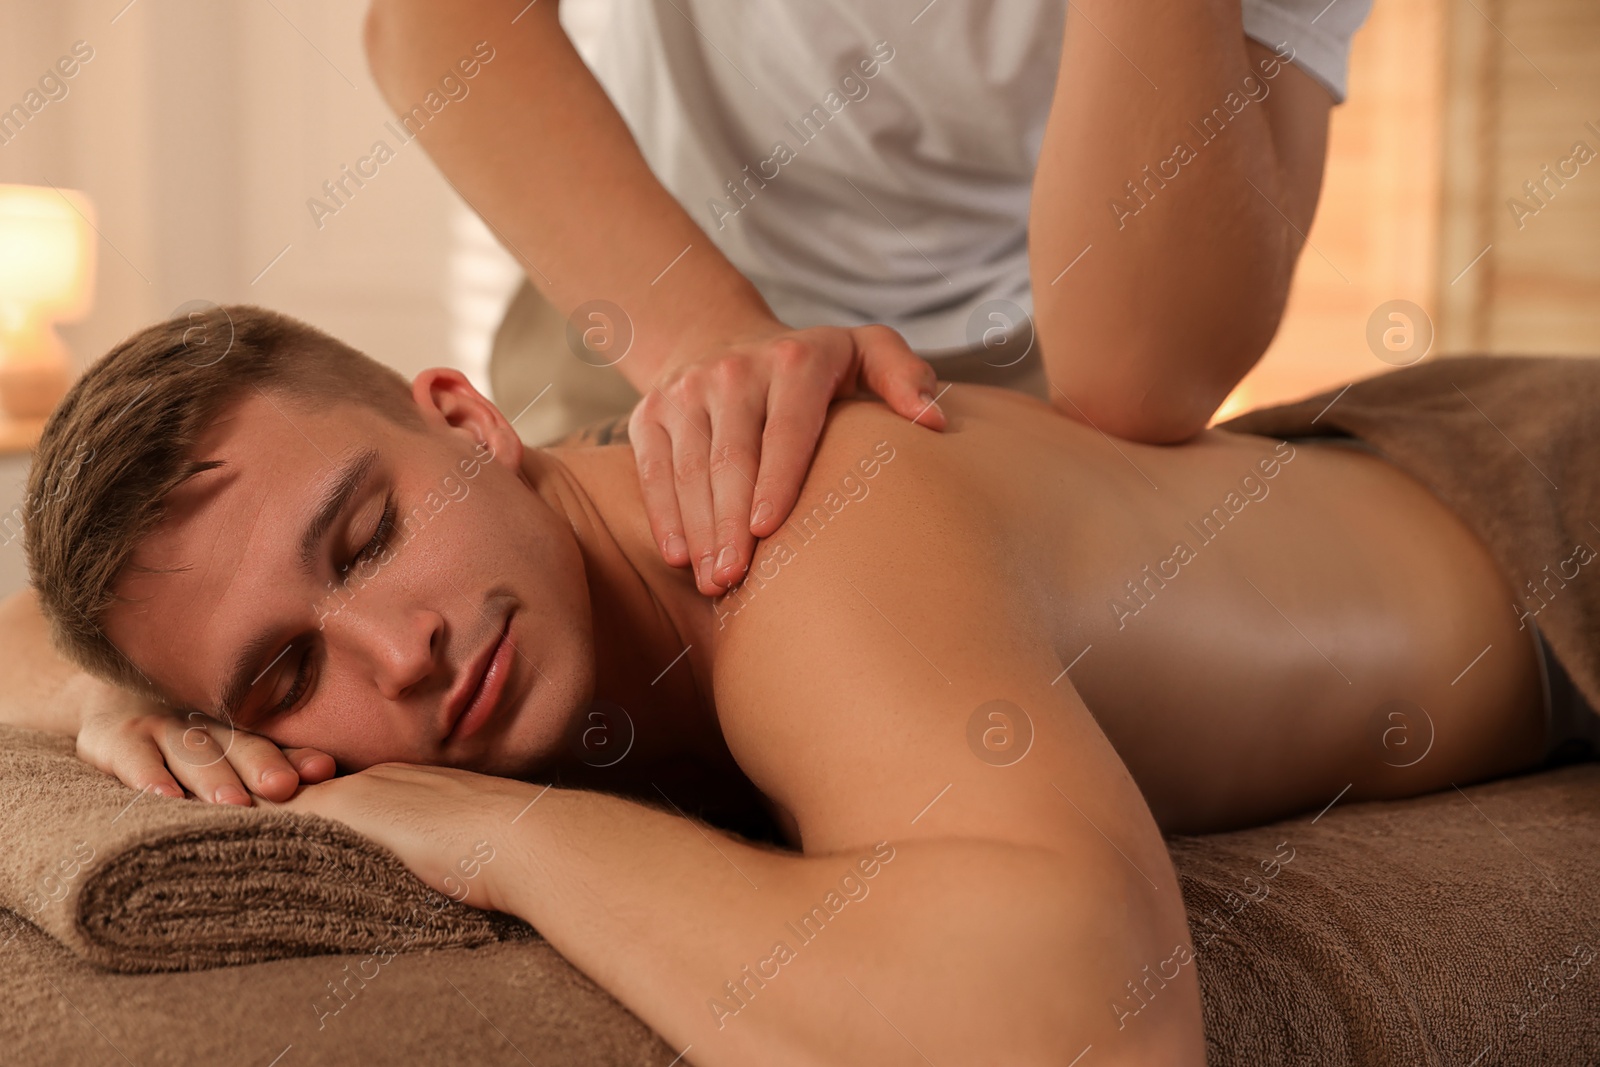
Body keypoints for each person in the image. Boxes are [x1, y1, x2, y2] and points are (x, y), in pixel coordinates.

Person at [0, 306, 1568, 1064]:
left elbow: (1089, 1025)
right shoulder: (458, 616)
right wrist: (98, 701)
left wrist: (504, 838)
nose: (393, 649)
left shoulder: (793, 528)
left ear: (468, 419)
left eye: (366, 536)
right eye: (288, 666)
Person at [362, 0, 1372, 599]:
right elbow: (433, 23)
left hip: (1025, 384)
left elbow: (1142, 371)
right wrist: (713, 344)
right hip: (637, 304)